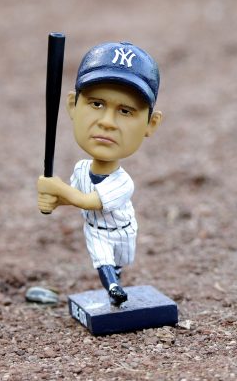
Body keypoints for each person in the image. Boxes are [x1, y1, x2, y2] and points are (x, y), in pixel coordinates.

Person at [37, 42, 162, 305]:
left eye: (125, 111)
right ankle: (113, 287)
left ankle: (115, 278)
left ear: (151, 124)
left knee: (118, 262)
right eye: (96, 104)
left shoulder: (122, 182)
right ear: (72, 105)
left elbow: (88, 201)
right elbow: (75, 197)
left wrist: (57, 188)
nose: (107, 122)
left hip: (123, 232)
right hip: (95, 230)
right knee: (102, 260)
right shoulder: (82, 170)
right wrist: (55, 200)